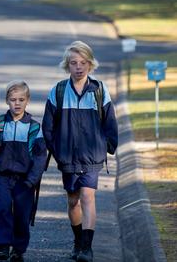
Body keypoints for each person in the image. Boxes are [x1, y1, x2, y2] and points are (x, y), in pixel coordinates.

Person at [42, 41, 118, 262]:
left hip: (92, 156)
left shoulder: (100, 90)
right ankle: (78, 242)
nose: (78, 67)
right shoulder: (57, 91)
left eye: (83, 62)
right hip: (67, 157)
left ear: (90, 64)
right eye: (74, 63)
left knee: (87, 196)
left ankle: (86, 248)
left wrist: (106, 147)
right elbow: (48, 127)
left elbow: (110, 124)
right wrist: (57, 151)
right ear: (67, 65)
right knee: (73, 200)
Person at [0, 80, 46, 262]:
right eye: (12, 99)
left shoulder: (34, 127)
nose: (16, 103)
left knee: (21, 214)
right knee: (0, 209)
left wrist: (32, 180)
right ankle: (2, 246)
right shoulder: (0, 122)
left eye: (21, 99)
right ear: (6, 101)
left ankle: (18, 248)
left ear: (27, 101)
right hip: (1, 176)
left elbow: (40, 157)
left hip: (24, 179)